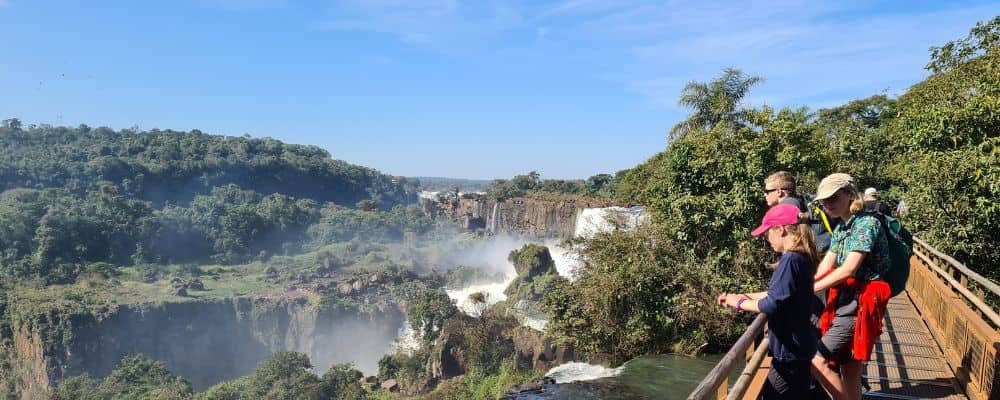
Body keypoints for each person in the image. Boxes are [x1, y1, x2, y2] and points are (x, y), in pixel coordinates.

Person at [717, 203, 818, 399]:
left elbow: (772, 303)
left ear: (780, 230)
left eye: (767, 233)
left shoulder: (790, 260)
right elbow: (779, 293)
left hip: (791, 351)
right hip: (800, 347)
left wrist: (738, 304)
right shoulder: (801, 257)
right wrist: (743, 297)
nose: (765, 238)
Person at [810, 174, 892, 400]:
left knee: (817, 361)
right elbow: (826, 266)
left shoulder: (867, 223)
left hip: (861, 304)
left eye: (833, 198)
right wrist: (808, 285)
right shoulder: (841, 228)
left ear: (849, 194)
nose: (828, 205)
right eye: (824, 201)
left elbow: (848, 269)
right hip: (846, 299)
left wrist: (809, 290)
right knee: (849, 368)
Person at [764, 171, 833, 252]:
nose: (765, 195)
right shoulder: (802, 199)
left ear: (779, 192)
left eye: (767, 191)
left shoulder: (787, 204)